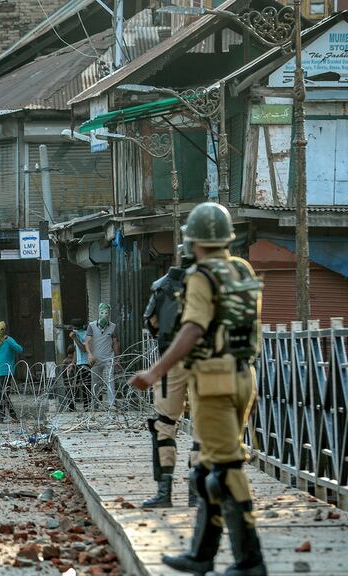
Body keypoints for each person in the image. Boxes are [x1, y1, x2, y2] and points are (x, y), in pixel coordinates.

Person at [129, 202, 265, 576]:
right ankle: (201, 555)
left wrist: (155, 372)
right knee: (205, 471)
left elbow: (192, 329)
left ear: (193, 242)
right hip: (241, 377)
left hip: (214, 382)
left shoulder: (203, 276)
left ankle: (250, 562)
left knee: (224, 470)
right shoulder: (241, 269)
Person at [141, 244, 200, 509]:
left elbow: (151, 323)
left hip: (169, 363)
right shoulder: (209, 282)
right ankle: (196, 493)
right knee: (203, 428)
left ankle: (164, 492)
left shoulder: (162, 286)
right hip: (204, 363)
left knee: (164, 423)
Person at [85, 303, 120, 408]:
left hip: (109, 357)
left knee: (110, 380)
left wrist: (117, 358)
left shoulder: (113, 326)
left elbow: (115, 343)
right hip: (95, 358)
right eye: (102, 312)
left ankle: (111, 404)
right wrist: (90, 355)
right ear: (98, 313)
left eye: (106, 313)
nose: (104, 315)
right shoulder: (91, 326)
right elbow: (87, 342)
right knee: (96, 382)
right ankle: (95, 405)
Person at [0, 321, 23, 423]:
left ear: (5, 330)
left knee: (3, 394)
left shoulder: (9, 340)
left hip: (8, 371)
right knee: (2, 395)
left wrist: (9, 342)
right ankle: (12, 415)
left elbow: (20, 349)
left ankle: (1, 416)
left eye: (1, 329)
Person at [63, 319, 91, 411]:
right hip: (78, 363)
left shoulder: (86, 334)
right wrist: (72, 363)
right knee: (73, 385)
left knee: (85, 386)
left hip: (85, 363)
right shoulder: (76, 333)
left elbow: (83, 349)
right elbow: (76, 351)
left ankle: (87, 406)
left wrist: (75, 338)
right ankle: (71, 406)